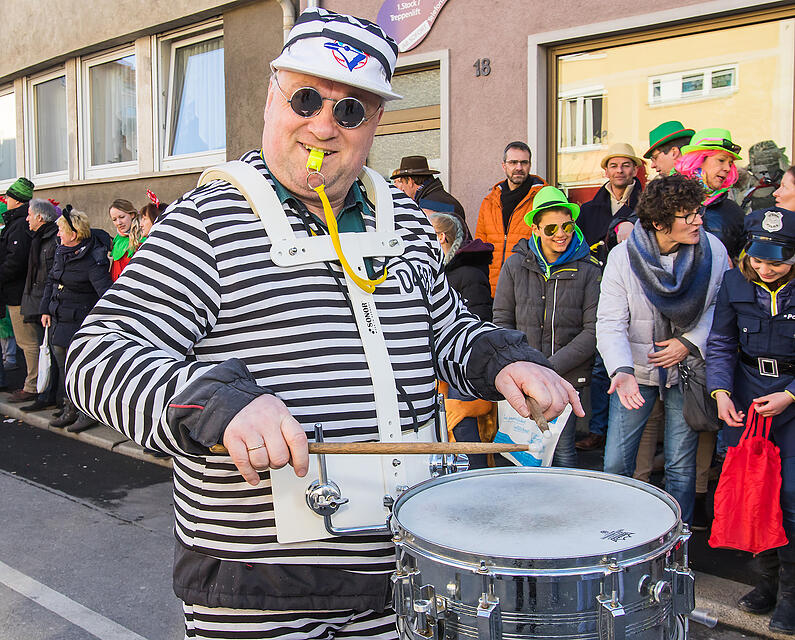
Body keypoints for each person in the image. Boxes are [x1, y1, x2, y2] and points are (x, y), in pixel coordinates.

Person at [65, 9, 582, 639]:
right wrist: (220, 406)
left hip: (399, 581)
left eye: (350, 110)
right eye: (306, 98)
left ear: (376, 124)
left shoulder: (410, 222)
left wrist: (505, 360)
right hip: (255, 594)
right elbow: (96, 357)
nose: (322, 125)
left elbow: (442, 332)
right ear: (272, 95)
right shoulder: (205, 221)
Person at [597, 173, 730, 524]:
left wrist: (688, 342)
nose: (699, 220)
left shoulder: (714, 251)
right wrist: (621, 370)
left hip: (686, 373)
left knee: (681, 466)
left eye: (697, 211)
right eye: (689, 215)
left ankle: (674, 545)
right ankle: (614, 533)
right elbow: (609, 321)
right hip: (635, 373)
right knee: (615, 462)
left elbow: (720, 307)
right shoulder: (623, 258)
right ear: (659, 222)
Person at [706, 208, 795, 633]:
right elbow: (721, 340)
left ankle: (791, 598)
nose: (765, 268)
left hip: (791, 399)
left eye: (777, 262)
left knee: (790, 497)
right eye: (758, 259)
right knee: (751, 493)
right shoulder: (735, 280)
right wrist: (720, 392)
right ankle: (766, 583)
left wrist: (791, 394)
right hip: (746, 395)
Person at [493, 186, 600, 467]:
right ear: (536, 230)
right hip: (522, 378)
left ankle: (564, 512)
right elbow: (502, 320)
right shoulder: (515, 265)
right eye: (551, 228)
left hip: (564, 379)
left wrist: (546, 369)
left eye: (566, 225)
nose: (561, 233)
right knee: (518, 454)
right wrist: (524, 367)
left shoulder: (589, 270)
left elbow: (592, 332)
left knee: (561, 454)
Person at [43, 209, 113, 432]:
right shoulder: (61, 252)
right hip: (58, 318)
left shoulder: (93, 258)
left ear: (74, 233)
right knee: (64, 367)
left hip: (79, 321)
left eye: (62, 230)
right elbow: (51, 282)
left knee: (80, 368)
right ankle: (69, 408)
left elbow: (105, 292)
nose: (59, 234)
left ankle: (86, 412)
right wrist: (45, 309)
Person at [475, 141, 547, 297]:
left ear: (530, 165)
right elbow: (480, 247)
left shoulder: (542, 199)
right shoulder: (490, 202)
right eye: (513, 162)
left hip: (528, 289)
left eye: (524, 162)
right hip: (492, 290)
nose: (519, 168)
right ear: (504, 165)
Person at [675, 128, 745, 260]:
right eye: (721, 160)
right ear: (698, 160)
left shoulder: (734, 211)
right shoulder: (666, 200)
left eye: (730, 163)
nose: (727, 168)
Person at [1, 177, 39, 403]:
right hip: (16, 292)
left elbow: (15, 261)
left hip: (19, 294)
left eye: (8, 196)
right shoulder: (17, 222)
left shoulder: (19, 225)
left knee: (28, 342)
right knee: (27, 341)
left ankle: (32, 385)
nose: (5, 200)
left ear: (16, 200)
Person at [19, 199, 60, 411]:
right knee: (46, 349)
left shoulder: (51, 240)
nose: (27, 218)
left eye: (29, 214)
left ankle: (49, 395)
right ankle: (46, 394)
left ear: (40, 217)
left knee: (50, 351)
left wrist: (47, 306)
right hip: (37, 300)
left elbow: (52, 277)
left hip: (47, 303)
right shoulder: (38, 239)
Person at [578, 142, 644, 255]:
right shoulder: (587, 210)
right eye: (614, 166)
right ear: (606, 172)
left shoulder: (648, 207)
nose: (619, 170)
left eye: (626, 165)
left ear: (635, 171)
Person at [391, 156, 469, 239]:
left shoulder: (427, 205)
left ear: (410, 181)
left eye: (402, 182)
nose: (402, 188)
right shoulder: (439, 198)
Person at [108, 199, 137, 281]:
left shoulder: (143, 239)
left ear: (132, 214)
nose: (118, 223)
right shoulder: (117, 239)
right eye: (114, 219)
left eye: (121, 217)